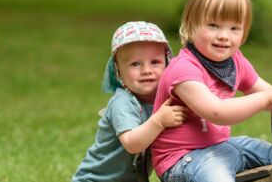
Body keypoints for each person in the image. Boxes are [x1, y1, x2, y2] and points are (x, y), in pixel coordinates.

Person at [151, 0, 272, 182]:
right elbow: (217, 112)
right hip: (183, 159)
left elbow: (268, 94)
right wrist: (267, 97)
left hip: (221, 146)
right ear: (192, 25)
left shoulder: (235, 61)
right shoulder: (183, 69)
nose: (224, 36)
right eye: (213, 25)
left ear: (244, 32)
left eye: (234, 28)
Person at [72, 21, 187, 182]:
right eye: (135, 64)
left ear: (168, 62)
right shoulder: (123, 102)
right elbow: (132, 144)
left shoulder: (166, 100)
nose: (146, 70)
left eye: (155, 62)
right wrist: (158, 121)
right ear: (118, 71)